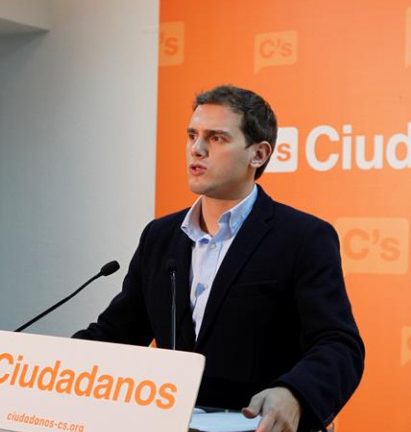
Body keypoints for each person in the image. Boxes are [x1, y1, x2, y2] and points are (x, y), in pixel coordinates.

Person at [74, 85, 365, 432]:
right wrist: (42, 367)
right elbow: (117, 334)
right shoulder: (160, 236)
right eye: (192, 135)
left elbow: (338, 344)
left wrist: (295, 394)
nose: (196, 149)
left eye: (216, 138)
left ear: (258, 154)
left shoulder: (302, 237)